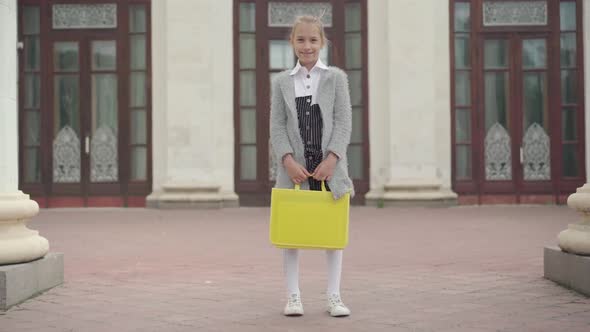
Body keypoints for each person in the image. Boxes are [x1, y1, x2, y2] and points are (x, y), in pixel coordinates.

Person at [269, 14, 354, 317]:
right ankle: (293, 296)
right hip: (296, 172)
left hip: (330, 170)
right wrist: (288, 161)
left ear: (322, 43)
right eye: (301, 40)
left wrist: (332, 159)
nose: (307, 46)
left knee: (333, 234)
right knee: (292, 234)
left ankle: (334, 296)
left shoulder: (336, 79)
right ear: (292, 42)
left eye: (313, 40)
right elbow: (277, 128)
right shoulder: (281, 83)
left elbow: (344, 123)